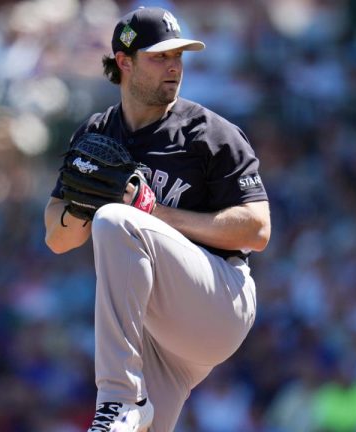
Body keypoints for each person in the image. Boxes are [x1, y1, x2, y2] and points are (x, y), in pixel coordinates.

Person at [43, 6, 270, 432]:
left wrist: (154, 213)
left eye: (178, 56)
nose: (174, 67)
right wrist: (79, 208)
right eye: (159, 57)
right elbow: (57, 238)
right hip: (156, 335)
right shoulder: (95, 134)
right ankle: (129, 408)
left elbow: (258, 230)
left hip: (219, 298)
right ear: (124, 62)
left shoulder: (210, 133)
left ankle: (120, 397)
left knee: (115, 220)